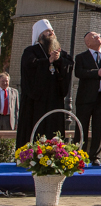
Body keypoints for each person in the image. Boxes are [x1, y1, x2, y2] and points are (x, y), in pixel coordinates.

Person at [16, 20, 75, 149]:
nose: (51, 33)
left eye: (52, 31)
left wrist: (59, 60)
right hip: (36, 101)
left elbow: (69, 64)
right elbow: (29, 66)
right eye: (48, 31)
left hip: (54, 99)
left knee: (53, 129)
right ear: (40, 35)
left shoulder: (59, 52)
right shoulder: (31, 51)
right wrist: (47, 61)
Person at [74, 32, 101, 166]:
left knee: (99, 128)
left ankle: (95, 156)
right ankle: (79, 154)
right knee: (81, 127)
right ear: (88, 43)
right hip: (85, 98)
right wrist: (97, 73)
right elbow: (79, 72)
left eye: (98, 35)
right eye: (94, 36)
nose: (98, 37)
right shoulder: (81, 57)